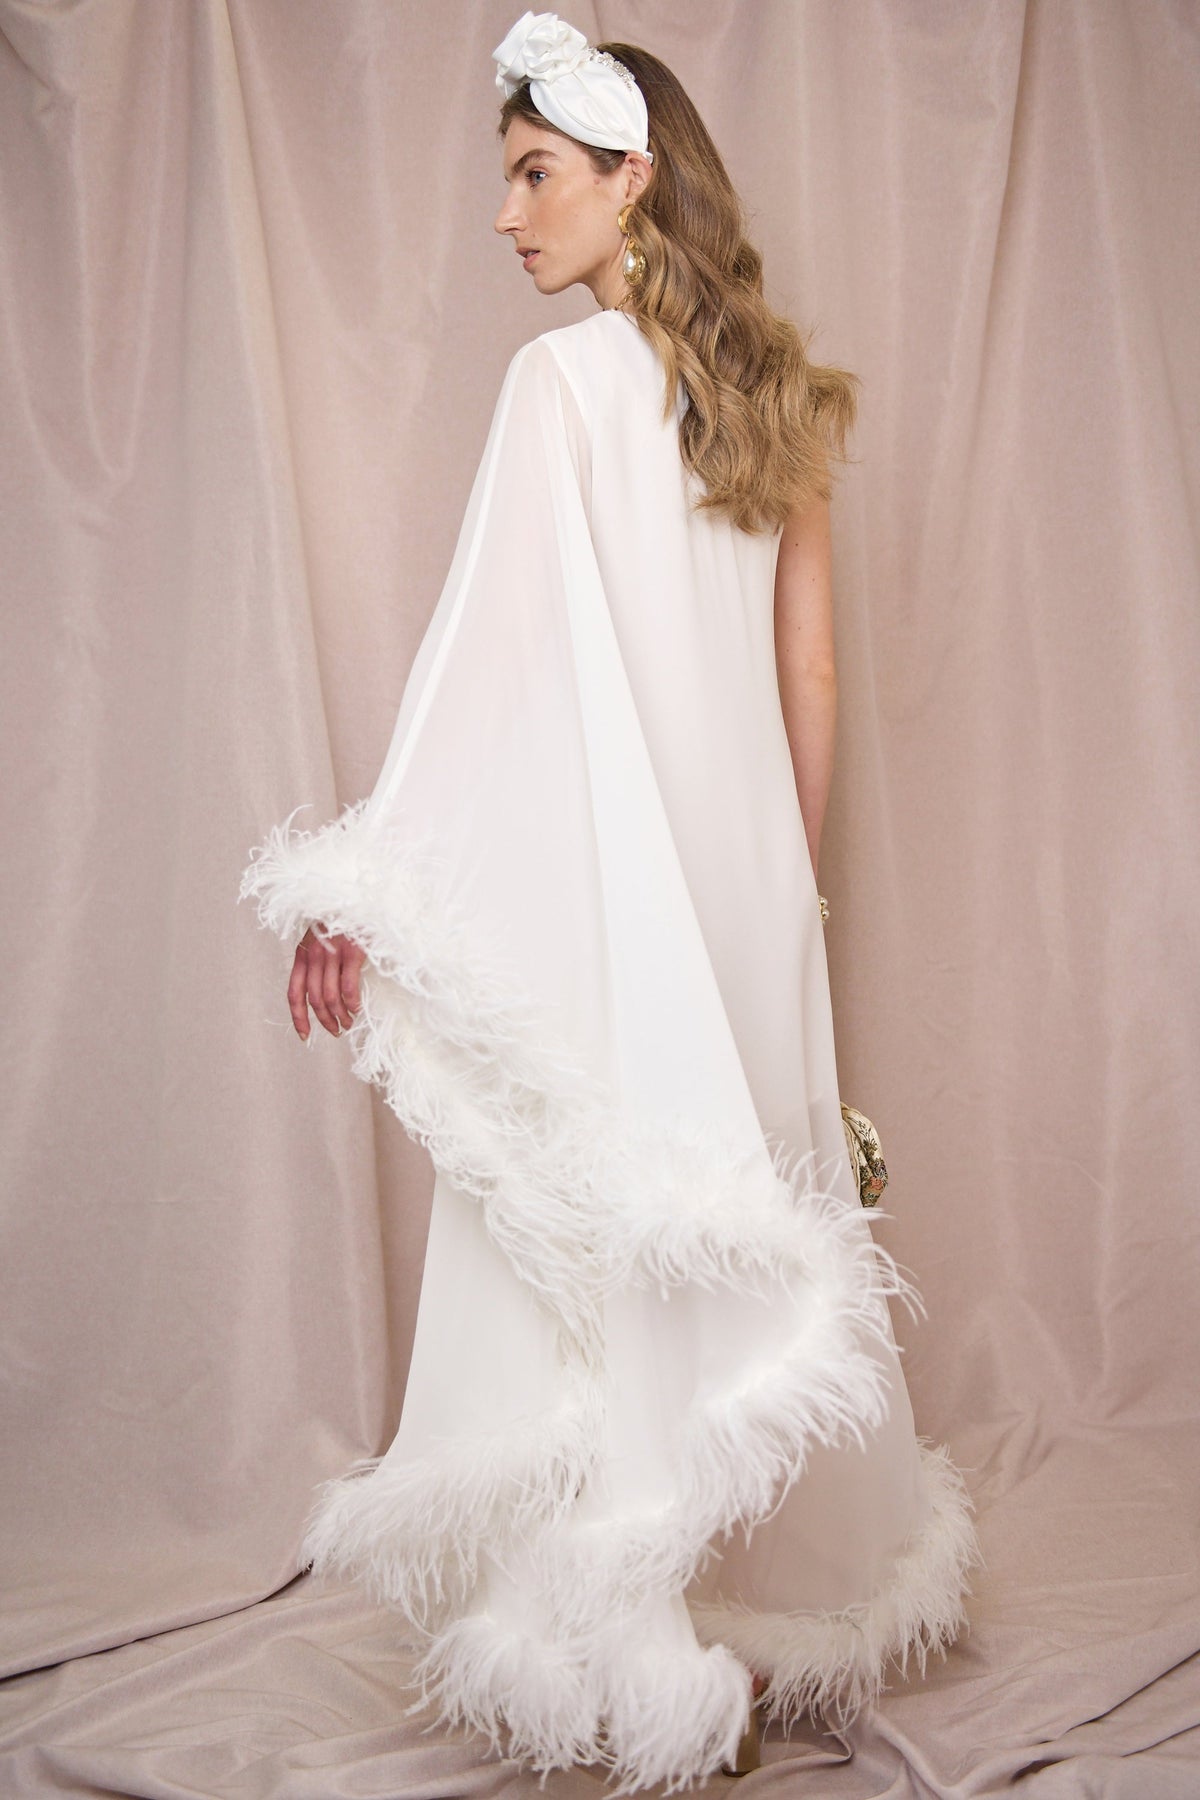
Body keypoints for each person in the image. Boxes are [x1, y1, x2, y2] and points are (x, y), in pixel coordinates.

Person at [239, 11, 980, 1792]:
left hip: (628, 885)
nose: (505, 216)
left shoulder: (561, 388)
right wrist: (783, 896)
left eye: (531, 172)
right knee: (735, 1214)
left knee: (609, 1221)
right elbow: (809, 687)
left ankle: (631, 1637)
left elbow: (486, 671)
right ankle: (776, 1596)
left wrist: (368, 881)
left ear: (631, 175)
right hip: (743, 882)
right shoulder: (783, 398)